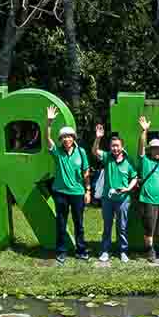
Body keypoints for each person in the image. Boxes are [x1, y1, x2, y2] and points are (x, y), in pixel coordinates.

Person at [44, 107, 92, 264]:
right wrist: (49, 122)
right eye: (63, 137)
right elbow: (47, 139)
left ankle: (81, 250)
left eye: (69, 136)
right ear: (61, 139)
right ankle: (61, 251)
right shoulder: (57, 152)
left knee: (79, 224)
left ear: (73, 138)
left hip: (77, 192)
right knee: (61, 224)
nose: (66, 139)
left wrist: (88, 191)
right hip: (60, 193)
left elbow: (86, 172)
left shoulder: (81, 152)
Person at [92, 125, 136, 262]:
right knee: (107, 226)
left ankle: (123, 251)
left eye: (117, 146)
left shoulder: (128, 161)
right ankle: (105, 251)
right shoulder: (107, 157)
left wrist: (128, 188)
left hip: (123, 200)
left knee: (122, 227)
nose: (115, 148)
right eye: (112, 146)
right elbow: (94, 151)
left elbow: (134, 177)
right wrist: (98, 138)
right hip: (108, 199)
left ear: (122, 147)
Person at [133, 117, 159, 262]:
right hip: (147, 200)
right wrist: (144, 131)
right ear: (150, 150)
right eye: (154, 148)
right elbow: (140, 147)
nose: (157, 151)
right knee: (149, 227)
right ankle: (149, 250)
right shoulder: (145, 161)